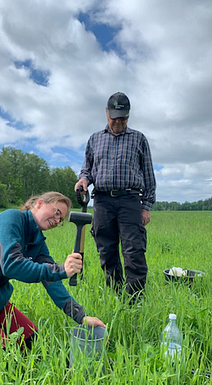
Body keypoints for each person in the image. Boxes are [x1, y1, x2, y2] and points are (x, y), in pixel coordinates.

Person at [0, 192, 106, 350]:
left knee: (33, 342)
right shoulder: (11, 218)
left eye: (61, 219)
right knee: (3, 356)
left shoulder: (37, 241)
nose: (57, 220)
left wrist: (80, 316)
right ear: (39, 203)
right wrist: (62, 269)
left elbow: (52, 281)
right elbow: (12, 264)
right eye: (56, 212)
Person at [75, 92, 156, 304]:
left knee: (133, 250)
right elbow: (88, 169)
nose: (119, 121)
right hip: (102, 201)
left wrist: (145, 206)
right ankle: (116, 294)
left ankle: (135, 300)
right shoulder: (94, 139)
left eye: (123, 117)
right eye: (115, 117)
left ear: (128, 116)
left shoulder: (139, 138)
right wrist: (83, 180)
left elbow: (148, 175)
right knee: (107, 250)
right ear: (106, 112)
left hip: (130, 201)